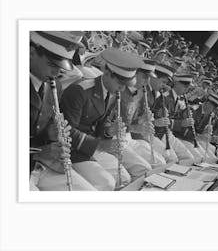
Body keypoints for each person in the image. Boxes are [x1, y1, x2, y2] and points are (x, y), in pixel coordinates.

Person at [60, 48, 152, 184]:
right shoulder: (80, 91)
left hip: (94, 146)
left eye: (125, 84)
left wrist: (109, 131)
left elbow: (102, 126)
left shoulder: (113, 93)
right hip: (75, 150)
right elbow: (67, 132)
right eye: (120, 83)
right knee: (109, 182)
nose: (122, 88)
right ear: (107, 73)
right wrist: (100, 145)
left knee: (135, 173)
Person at [30, 31, 97, 191]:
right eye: (53, 64)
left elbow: (38, 128)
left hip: (40, 164)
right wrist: (39, 152)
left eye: (61, 66)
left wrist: (51, 134)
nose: (58, 73)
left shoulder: (55, 85)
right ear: (31, 53)